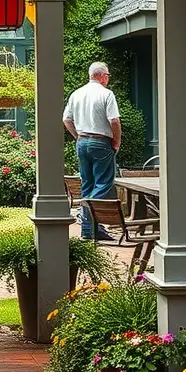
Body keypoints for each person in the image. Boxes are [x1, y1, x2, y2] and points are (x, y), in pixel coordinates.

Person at [63, 61, 121, 241]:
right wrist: (116, 142)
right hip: (101, 142)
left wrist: (78, 136)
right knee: (103, 183)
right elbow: (114, 121)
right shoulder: (106, 94)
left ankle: (89, 230)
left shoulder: (77, 94)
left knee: (87, 183)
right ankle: (88, 218)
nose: (108, 79)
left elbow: (66, 119)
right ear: (103, 76)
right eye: (108, 75)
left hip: (82, 142)